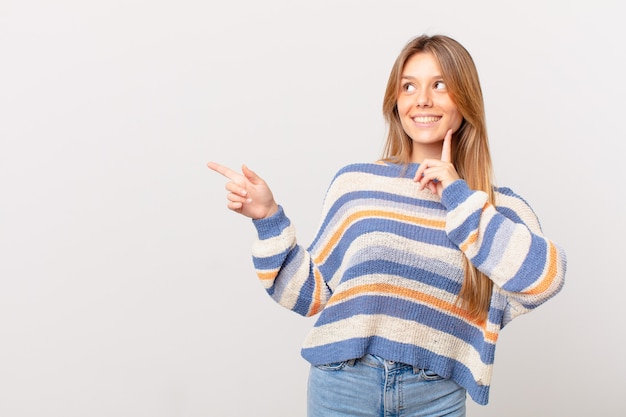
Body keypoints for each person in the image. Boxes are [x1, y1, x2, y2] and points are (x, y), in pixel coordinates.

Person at [207, 34, 566, 416]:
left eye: (439, 84)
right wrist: (268, 220)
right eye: (408, 86)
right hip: (343, 385)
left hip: (436, 395)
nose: (422, 99)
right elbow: (311, 294)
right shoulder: (357, 184)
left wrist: (458, 196)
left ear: (466, 98)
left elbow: (545, 280)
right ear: (395, 103)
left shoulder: (492, 206)